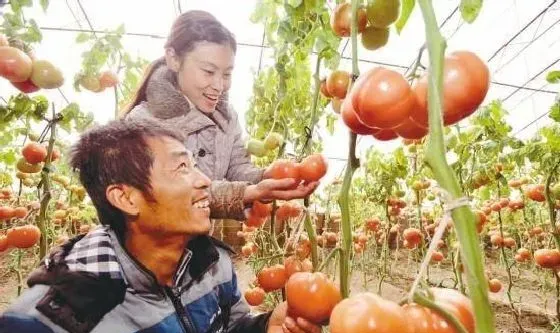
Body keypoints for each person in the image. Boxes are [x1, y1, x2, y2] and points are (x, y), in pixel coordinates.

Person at [0, 118, 320, 333]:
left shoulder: (214, 264)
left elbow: (230, 326)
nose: (204, 179)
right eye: (182, 167)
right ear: (126, 199)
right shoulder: (51, 318)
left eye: (194, 164)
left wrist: (264, 326)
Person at [122, 10, 271, 184]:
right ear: (174, 59)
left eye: (227, 74)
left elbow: (237, 167)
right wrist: (241, 194)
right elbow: (176, 191)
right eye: (209, 71)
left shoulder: (227, 117)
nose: (219, 86)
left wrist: (265, 177)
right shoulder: (144, 122)